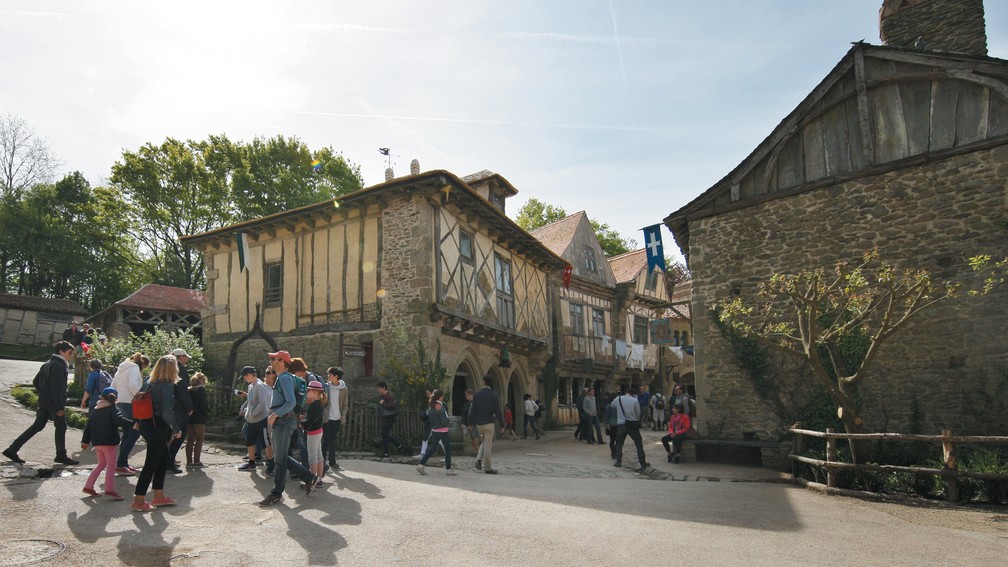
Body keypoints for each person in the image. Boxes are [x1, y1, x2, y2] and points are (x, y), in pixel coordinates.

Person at [3, 341, 79, 465]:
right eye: (70, 353)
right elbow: (57, 388)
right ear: (61, 351)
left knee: (37, 426)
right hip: (54, 403)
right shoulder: (59, 365)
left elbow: (35, 382)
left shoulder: (47, 363)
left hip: (45, 401)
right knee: (61, 427)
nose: (71, 356)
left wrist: (44, 394)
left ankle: (12, 449)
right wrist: (60, 407)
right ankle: (61, 455)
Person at [258, 351, 317, 507]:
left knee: (279, 459)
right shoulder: (283, 378)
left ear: (282, 362)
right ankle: (309, 477)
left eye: (274, 359)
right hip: (284, 420)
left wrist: (275, 414)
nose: (271, 361)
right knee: (280, 456)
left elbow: (290, 402)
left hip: (283, 420)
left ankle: (276, 493)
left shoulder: (284, 378)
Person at [132, 354, 182, 512]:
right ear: (171, 369)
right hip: (158, 426)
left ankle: (159, 495)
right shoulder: (166, 385)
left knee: (163, 459)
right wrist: (176, 429)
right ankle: (139, 500)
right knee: (151, 463)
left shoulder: (149, 381)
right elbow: (167, 412)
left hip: (147, 424)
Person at [80, 387, 133, 501]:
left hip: (97, 443)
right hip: (108, 442)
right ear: (115, 398)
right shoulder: (113, 409)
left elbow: (88, 427)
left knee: (101, 464)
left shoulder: (96, 409)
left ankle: (88, 486)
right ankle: (109, 489)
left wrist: (85, 441)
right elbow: (120, 420)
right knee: (112, 466)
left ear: (101, 397)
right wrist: (133, 423)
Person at [111, 353, 149, 474]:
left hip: (120, 402)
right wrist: (139, 396)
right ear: (142, 364)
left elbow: (112, 386)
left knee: (127, 434)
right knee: (134, 433)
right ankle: (121, 463)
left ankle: (123, 463)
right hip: (130, 403)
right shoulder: (134, 368)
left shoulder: (121, 369)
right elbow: (133, 385)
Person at [237, 366, 272, 471]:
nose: (244, 379)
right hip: (251, 420)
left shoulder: (259, 386)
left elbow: (262, 403)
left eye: (244, 377)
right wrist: (247, 411)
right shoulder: (251, 386)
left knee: (265, 442)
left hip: (261, 420)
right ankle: (251, 463)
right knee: (250, 441)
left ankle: (271, 463)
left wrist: (252, 413)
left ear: (249, 375)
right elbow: (251, 401)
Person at [416, 389, 456, 476]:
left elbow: (429, 417)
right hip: (443, 431)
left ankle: (421, 464)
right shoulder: (440, 406)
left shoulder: (431, 406)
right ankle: (448, 469)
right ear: (441, 396)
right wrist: (448, 420)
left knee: (432, 449)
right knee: (448, 449)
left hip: (434, 430)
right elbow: (445, 420)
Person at [167, 348, 193, 474]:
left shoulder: (167, 369)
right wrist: (189, 407)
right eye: (185, 357)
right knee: (179, 434)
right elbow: (183, 390)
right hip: (178, 407)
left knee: (169, 435)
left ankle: (166, 459)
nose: (186, 359)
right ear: (179, 357)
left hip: (168, 406)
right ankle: (169, 461)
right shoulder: (180, 369)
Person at [470, 376, 504, 474]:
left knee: (485, 442)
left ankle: (478, 460)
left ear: (484, 382)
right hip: (489, 423)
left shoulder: (477, 395)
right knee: (488, 445)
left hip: (479, 424)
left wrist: (470, 422)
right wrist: (502, 425)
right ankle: (488, 468)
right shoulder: (493, 395)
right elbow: (497, 411)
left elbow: (473, 410)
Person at [611, 386, 649, 470]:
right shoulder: (634, 400)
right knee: (638, 443)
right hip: (632, 424)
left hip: (621, 424)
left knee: (619, 443)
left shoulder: (619, 399)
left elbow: (612, 406)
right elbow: (638, 413)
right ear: (633, 394)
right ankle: (642, 462)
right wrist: (635, 418)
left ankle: (618, 461)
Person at [301, 380, 327, 491]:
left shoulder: (315, 406)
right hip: (318, 432)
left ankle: (311, 481)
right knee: (319, 456)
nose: (307, 392)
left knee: (312, 458)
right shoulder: (317, 405)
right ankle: (319, 479)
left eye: (309, 390)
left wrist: (301, 422)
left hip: (313, 433)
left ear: (315, 392)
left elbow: (310, 422)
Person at [322, 366, 348, 471]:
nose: (328, 376)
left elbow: (345, 404)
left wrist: (343, 416)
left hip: (337, 418)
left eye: (330, 374)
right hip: (327, 418)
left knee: (333, 441)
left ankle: (332, 463)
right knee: (325, 441)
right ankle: (323, 464)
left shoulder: (344, 388)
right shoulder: (326, 387)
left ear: (336, 376)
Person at [185, 372, 210, 467]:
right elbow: (203, 404)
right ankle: (196, 461)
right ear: (202, 380)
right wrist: (206, 412)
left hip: (190, 417)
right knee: (199, 439)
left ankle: (189, 461)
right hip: (199, 417)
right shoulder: (201, 389)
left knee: (190, 439)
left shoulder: (188, 390)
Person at [376, 381, 405, 458]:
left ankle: (386, 452)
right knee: (384, 435)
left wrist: (383, 403)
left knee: (384, 435)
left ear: (383, 388)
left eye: (379, 388)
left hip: (390, 418)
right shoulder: (383, 396)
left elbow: (392, 406)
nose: (378, 390)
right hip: (386, 418)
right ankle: (398, 445)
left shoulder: (388, 396)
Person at [461, 389, 480, 456]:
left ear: (472, 395)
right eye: (466, 395)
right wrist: (464, 423)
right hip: (468, 424)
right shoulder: (466, 404)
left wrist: (472, 424)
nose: (466, 396)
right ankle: (476, 451)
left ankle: (477, 452)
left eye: (468, 395)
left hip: (475, 423)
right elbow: (464, 415)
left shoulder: (476, 403)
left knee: (475, 436)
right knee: (472, 438)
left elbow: (476, 414)